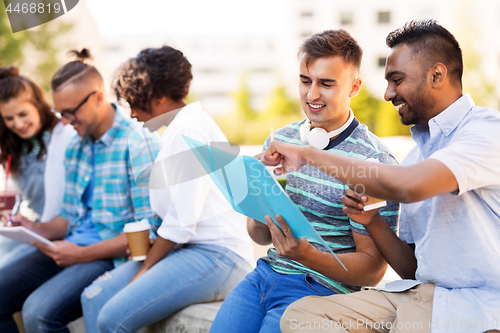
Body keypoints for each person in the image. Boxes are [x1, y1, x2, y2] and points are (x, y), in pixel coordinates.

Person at [264, 20, 500, 333]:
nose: (388, 94)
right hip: (419, 295)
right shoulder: (417, 156)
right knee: (298, 317)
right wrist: (371, 220)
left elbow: (409, 186)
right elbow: (410, 268)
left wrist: (307, 153)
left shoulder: (486, 131)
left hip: (478, 306)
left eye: (397, 80)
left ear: (437, 75)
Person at [209, 30, 400, 333]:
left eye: (326, 83)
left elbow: (374, 270)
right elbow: (258, 235)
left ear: (354, 87)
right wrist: (256, 192)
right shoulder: (279, 140)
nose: (311, 95)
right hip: (265, 275)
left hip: (320, 292)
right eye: (305, 80)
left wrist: (309, 256)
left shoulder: (372, 161)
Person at [80, 45, 254, 333]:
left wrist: (146, 269)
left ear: (158, 97)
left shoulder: (189, 130)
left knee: (112, 318)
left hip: (218, 255)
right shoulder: (178, 128)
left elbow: (182, 222)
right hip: (188, 251)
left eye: (133, 102)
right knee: (93, 298)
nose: (131, 113)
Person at [0, 49, 161, 333]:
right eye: (59, 113)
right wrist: (30, 227)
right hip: (69, 247)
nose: (64, 122)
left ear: (98, 97)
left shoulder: (137, 143)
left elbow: (147, 232)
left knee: (37, 313)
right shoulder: (75, 147)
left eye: (70, 112)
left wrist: (80, 255)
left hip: (107, 256)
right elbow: (66, 220)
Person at [0, 66, 76, 267]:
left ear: (38, 105)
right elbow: (20, 199)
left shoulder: (65, 136)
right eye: (9, 118)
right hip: (25, 232)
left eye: (23, 114)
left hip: (57, 234)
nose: (18, 123)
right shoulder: (12, 148)